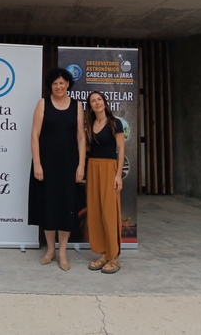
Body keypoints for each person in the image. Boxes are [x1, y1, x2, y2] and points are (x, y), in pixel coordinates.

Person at [28, 68, 86, 272]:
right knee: (48, 206)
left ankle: (63, 252)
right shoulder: (43, 104)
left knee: (66, 207)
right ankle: (50, 250)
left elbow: (81, 137)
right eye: (55, 84)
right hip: (46, 165)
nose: (59, 86)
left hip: (69, 165)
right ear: (50, 86)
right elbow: (34, 135)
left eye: (62, 83)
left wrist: (81, 165)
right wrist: (37, 163)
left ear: (68, 84)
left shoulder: (77, 106)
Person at [85, 91, 125, 274]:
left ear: (104, 102)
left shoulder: (115, 123)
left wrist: (118, 175)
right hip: (93, 168)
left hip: (109, 169)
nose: (96, 103)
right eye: (93, 101)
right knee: (95, 211)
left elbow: (121, 149)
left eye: (99, 99)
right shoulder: (89, 124)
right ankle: (103, 253)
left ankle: (114, 256)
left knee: (109, 211)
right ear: (91, 106)